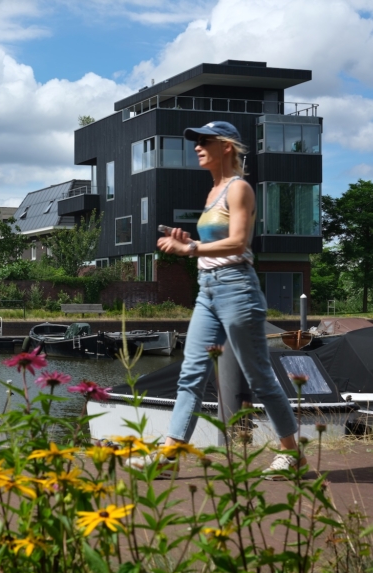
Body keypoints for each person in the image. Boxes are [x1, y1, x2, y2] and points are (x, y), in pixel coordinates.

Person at [130, 121, 304, 480]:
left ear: (226, 146)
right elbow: (214, 244)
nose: (196, 146)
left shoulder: (239, 189)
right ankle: (170, 455)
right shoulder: (212, 193)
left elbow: (238, 242)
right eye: (195, 141)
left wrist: (190, 247)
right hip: (207, 289)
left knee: (259, 377)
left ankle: (291, 454)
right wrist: (189, 242)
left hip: (237, 289)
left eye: (204, 141)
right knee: (191, 375)